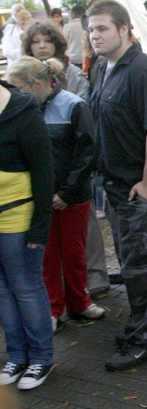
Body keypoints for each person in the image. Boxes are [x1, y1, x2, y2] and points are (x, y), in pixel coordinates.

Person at [88, 0, 147, 371]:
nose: (95, 36)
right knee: (143, 261)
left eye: (102, 28)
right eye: (91, 29)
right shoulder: (104, 67)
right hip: (116, 185)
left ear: (125, 29)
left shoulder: (142, 71)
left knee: (142, 266)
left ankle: (146, 337)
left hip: (138, 188)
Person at [7, 58, 105, 332]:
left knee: (74, 253)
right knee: (46, 255)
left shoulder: (73, 105)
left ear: (35, 84)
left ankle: (79, 301)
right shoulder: (22, 110)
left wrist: (65, 192)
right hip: (40, 196)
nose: (14, 94)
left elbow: (87, 154)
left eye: (18, 88)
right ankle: (53, 308)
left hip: (73, 196)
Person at [0, 78, 55, 390]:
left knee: (25, 287)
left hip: (18, 218)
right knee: (2, 291)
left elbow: (44, 171)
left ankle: (41, 357)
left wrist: (40, 227)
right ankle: (17, 355)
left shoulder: (23, 111)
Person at [22, 20, 89, 102]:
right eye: (36, 42)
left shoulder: (73, 74)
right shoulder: (21, 75)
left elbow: (81, 105)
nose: (42, 46)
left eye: (48, 41)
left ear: (56, 44)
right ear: (29, 46)